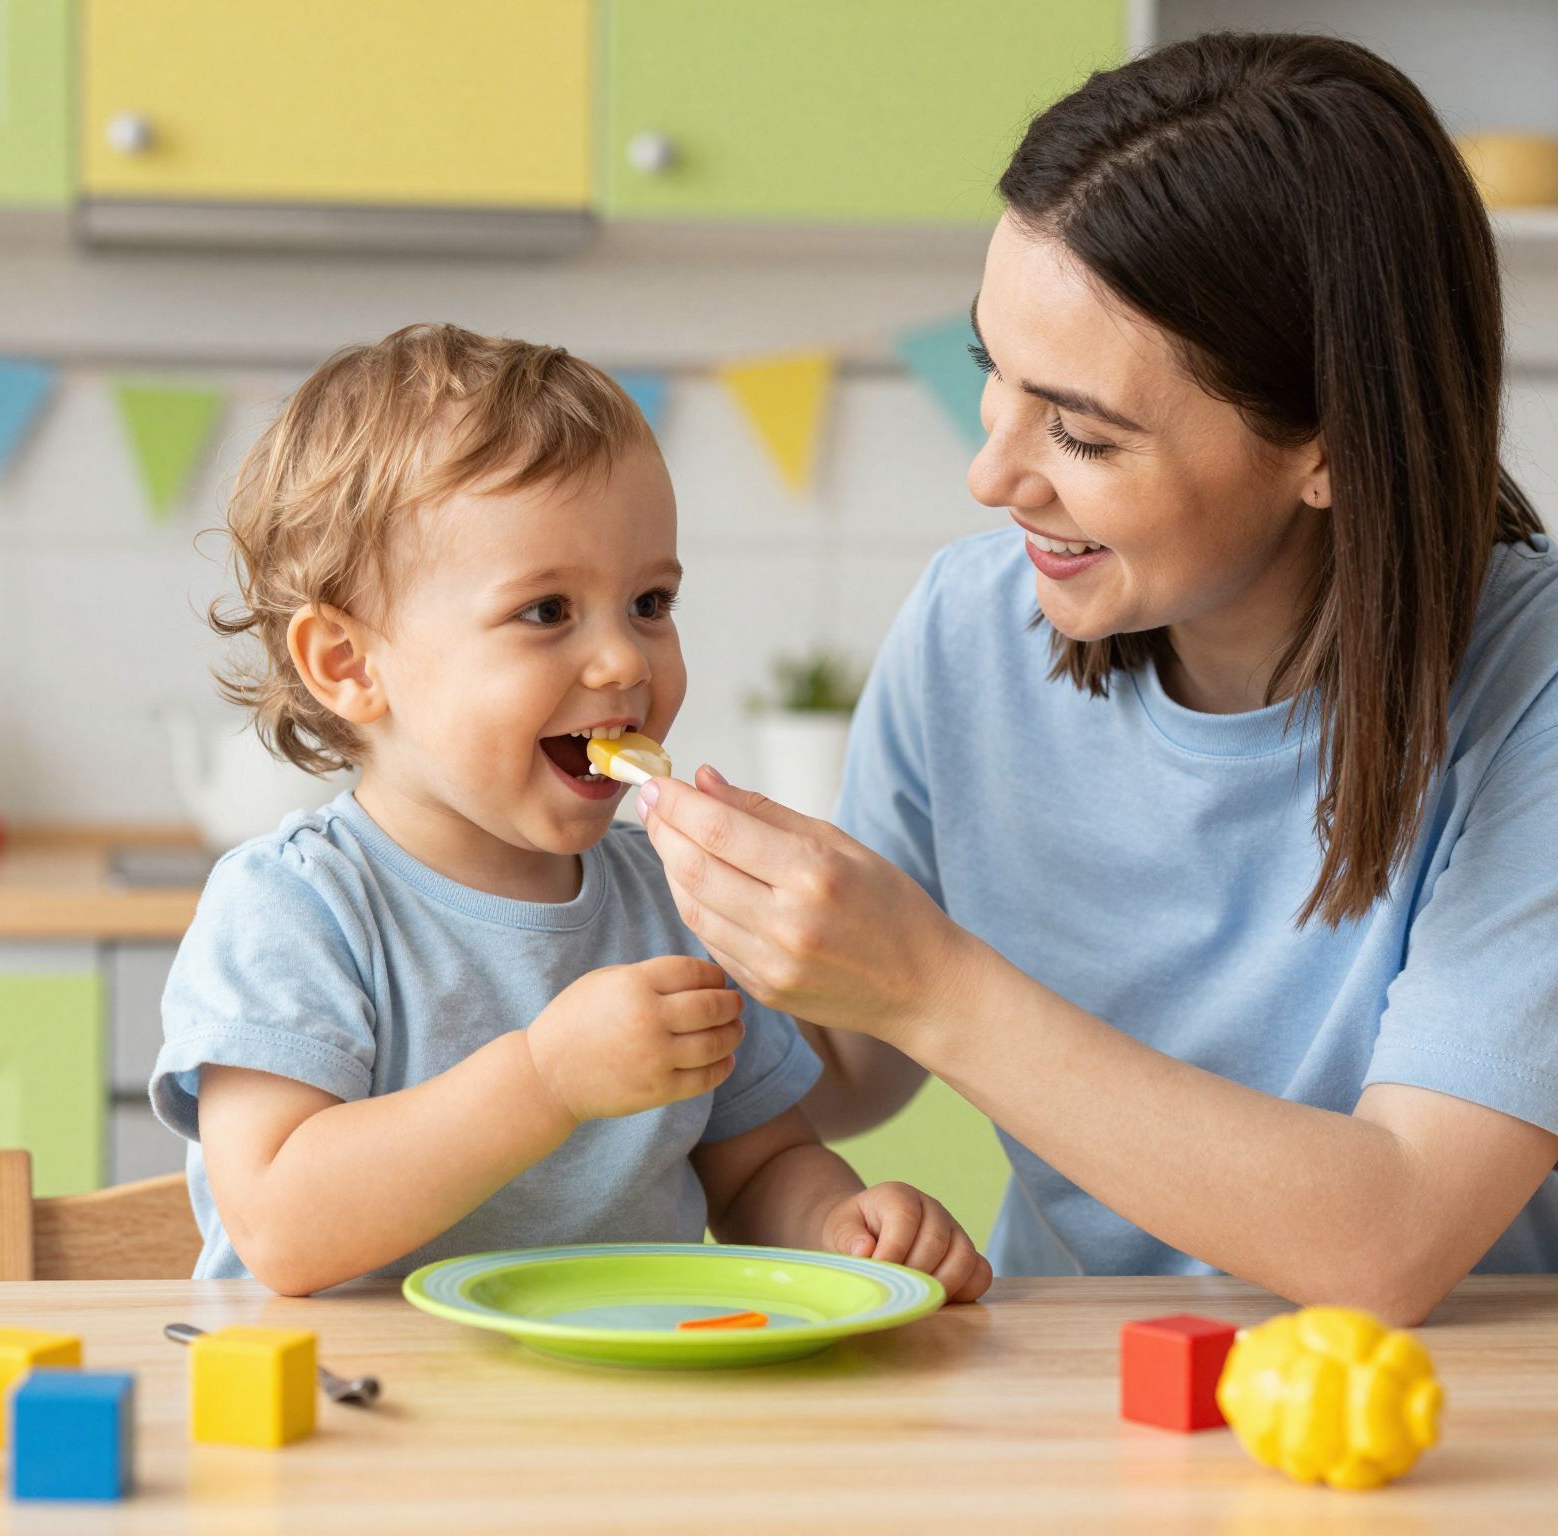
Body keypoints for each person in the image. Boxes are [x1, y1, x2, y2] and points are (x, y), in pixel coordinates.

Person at [635, 35, 1558, 1324]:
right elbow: (849, 1061)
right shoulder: (970, 626)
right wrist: (568, 977)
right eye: (993, 376)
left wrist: (925, 977)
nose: (992, 477)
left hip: (1488, 1408)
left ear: (1327, 446)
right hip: (1093, 1390)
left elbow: (1392, 1239)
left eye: (1081, 432)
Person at [149, 323, 990, 1300]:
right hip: (353, 1424)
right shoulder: (293, 908)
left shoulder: (672, 903)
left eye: (649, 602)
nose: (626, 660)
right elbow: (283, 1229)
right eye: (546, 611)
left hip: (622, 1421)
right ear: (349, 665)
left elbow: (756, 1166)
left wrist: (839, 1225)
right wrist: (545, 1080)